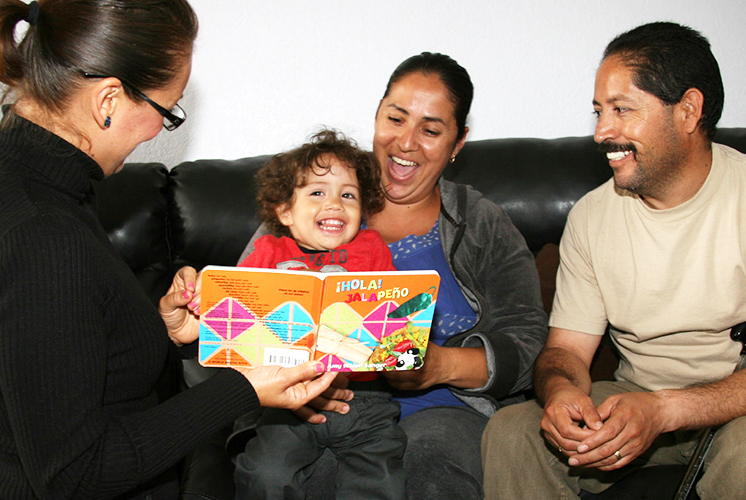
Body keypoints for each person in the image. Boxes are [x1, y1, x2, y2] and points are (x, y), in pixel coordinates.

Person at [0, 1, 337, 499]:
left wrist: (161, 331)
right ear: (108, 101)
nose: (161, 129)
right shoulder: (43, 230)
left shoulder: (45, 187)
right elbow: (76, 473)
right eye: (167, 111)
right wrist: (243, 389)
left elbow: (56, 356)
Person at [234, 52, 548, 499]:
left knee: (424, 464)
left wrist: (441, 365)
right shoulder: (310, 203)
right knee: (295, 473)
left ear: (458, 143)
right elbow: (241, 305)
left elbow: (529, 338)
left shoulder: (481, 222)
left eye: (431, 130)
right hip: (306, 406)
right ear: (377, 117)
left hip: (444, 410)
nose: (406, 142)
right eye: (395, 119)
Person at [481, 22, 746, 500]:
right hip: (632, 400)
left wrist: (666, 409)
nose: (602, 131)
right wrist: (561, 392)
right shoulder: (590, 217)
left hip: (735, 406)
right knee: (512, 433)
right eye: (599, 111)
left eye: (622, 109)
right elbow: (565, 352)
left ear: (688, 111)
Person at [233, 128, 408, 500]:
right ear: (284, 211)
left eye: (348, 195)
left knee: (381, 480)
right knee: (263, 472)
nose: (334, 204)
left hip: (365, 401)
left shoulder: (372, 248)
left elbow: (393, 322)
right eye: (317, 193)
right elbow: (237, 315)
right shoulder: (268, 251)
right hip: (286, 401)